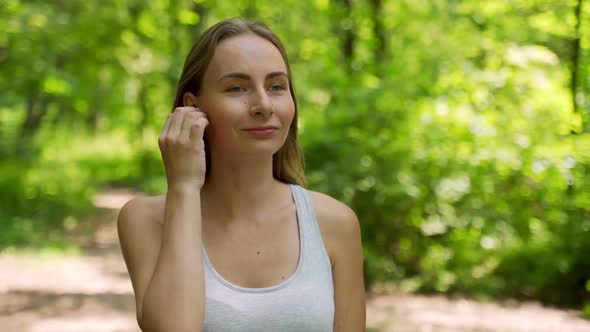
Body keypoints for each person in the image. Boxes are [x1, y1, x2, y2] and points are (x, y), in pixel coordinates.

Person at [117, 18, 366, 332]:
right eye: (237, 88)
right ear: (192, 108)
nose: (263, 104)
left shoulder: (336, 223)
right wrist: (183, 186)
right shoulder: (146, 219)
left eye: (277, 86)